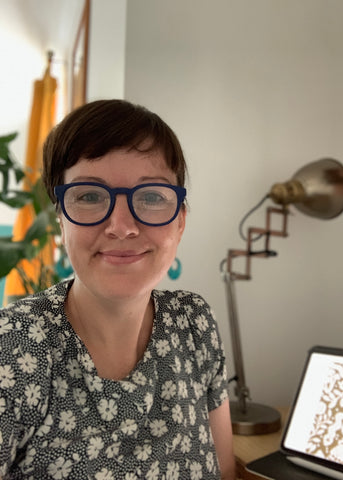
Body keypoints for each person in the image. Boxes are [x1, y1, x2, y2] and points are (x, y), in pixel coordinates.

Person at [0, 99, 236, 479]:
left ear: (180, 221)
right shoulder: (13, 348)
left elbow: (225, 472)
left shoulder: (195, 323)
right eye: (90, 196)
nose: (122, 226)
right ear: (62, 217)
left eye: (152, 197)